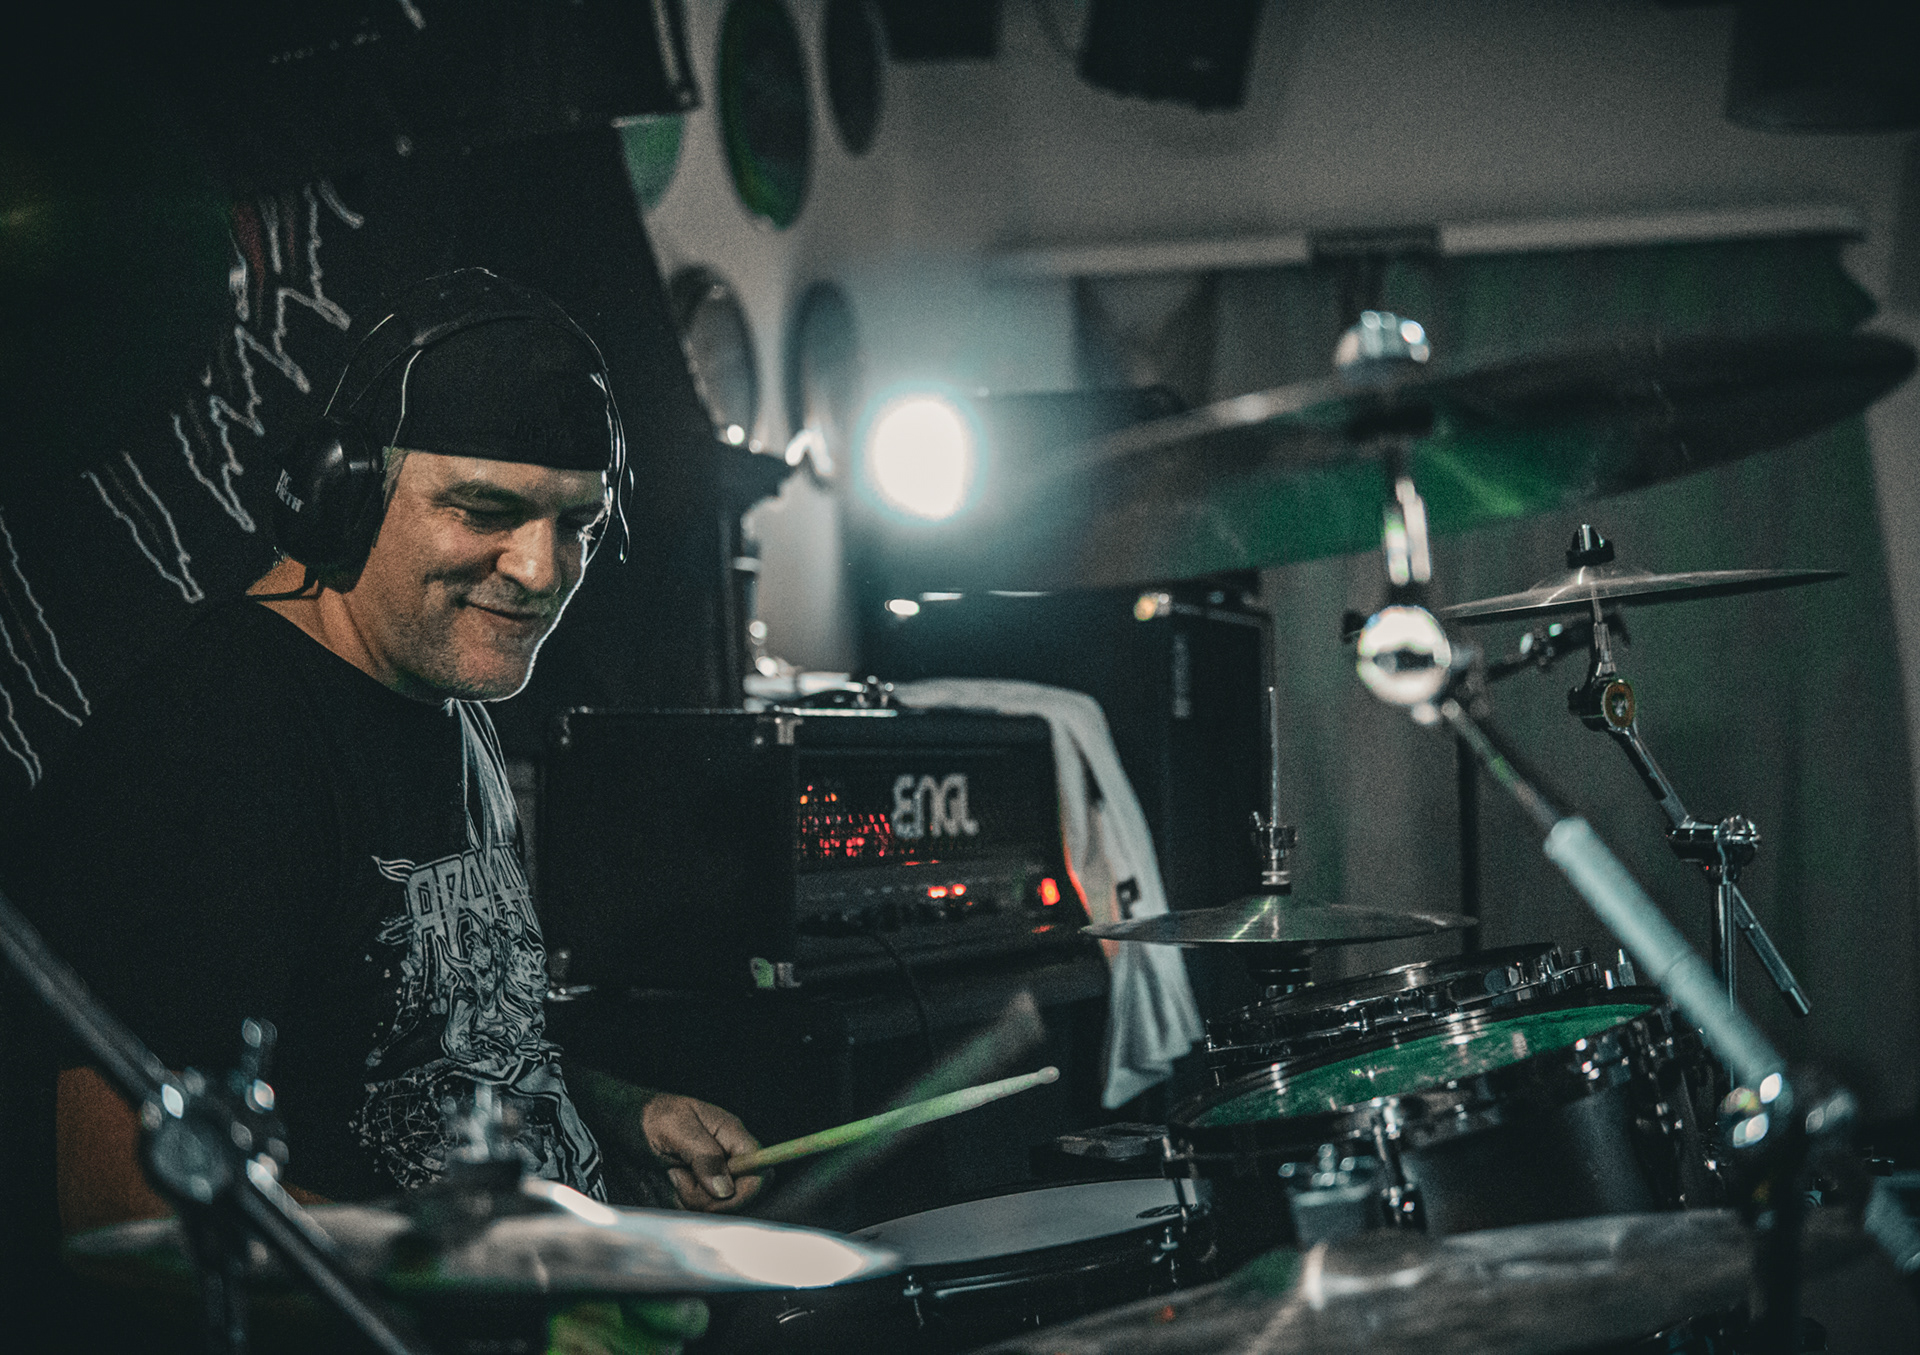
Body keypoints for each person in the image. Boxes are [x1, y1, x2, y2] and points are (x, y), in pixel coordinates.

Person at [9, 269, 759, 1352]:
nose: (539, 568)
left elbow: (431, 1039)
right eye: (486, 511)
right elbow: (128, 1210)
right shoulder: (217, 745)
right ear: (341, 495)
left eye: (578, 522)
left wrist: (617, 1111)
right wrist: (492, 1291)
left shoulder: (444, 691)